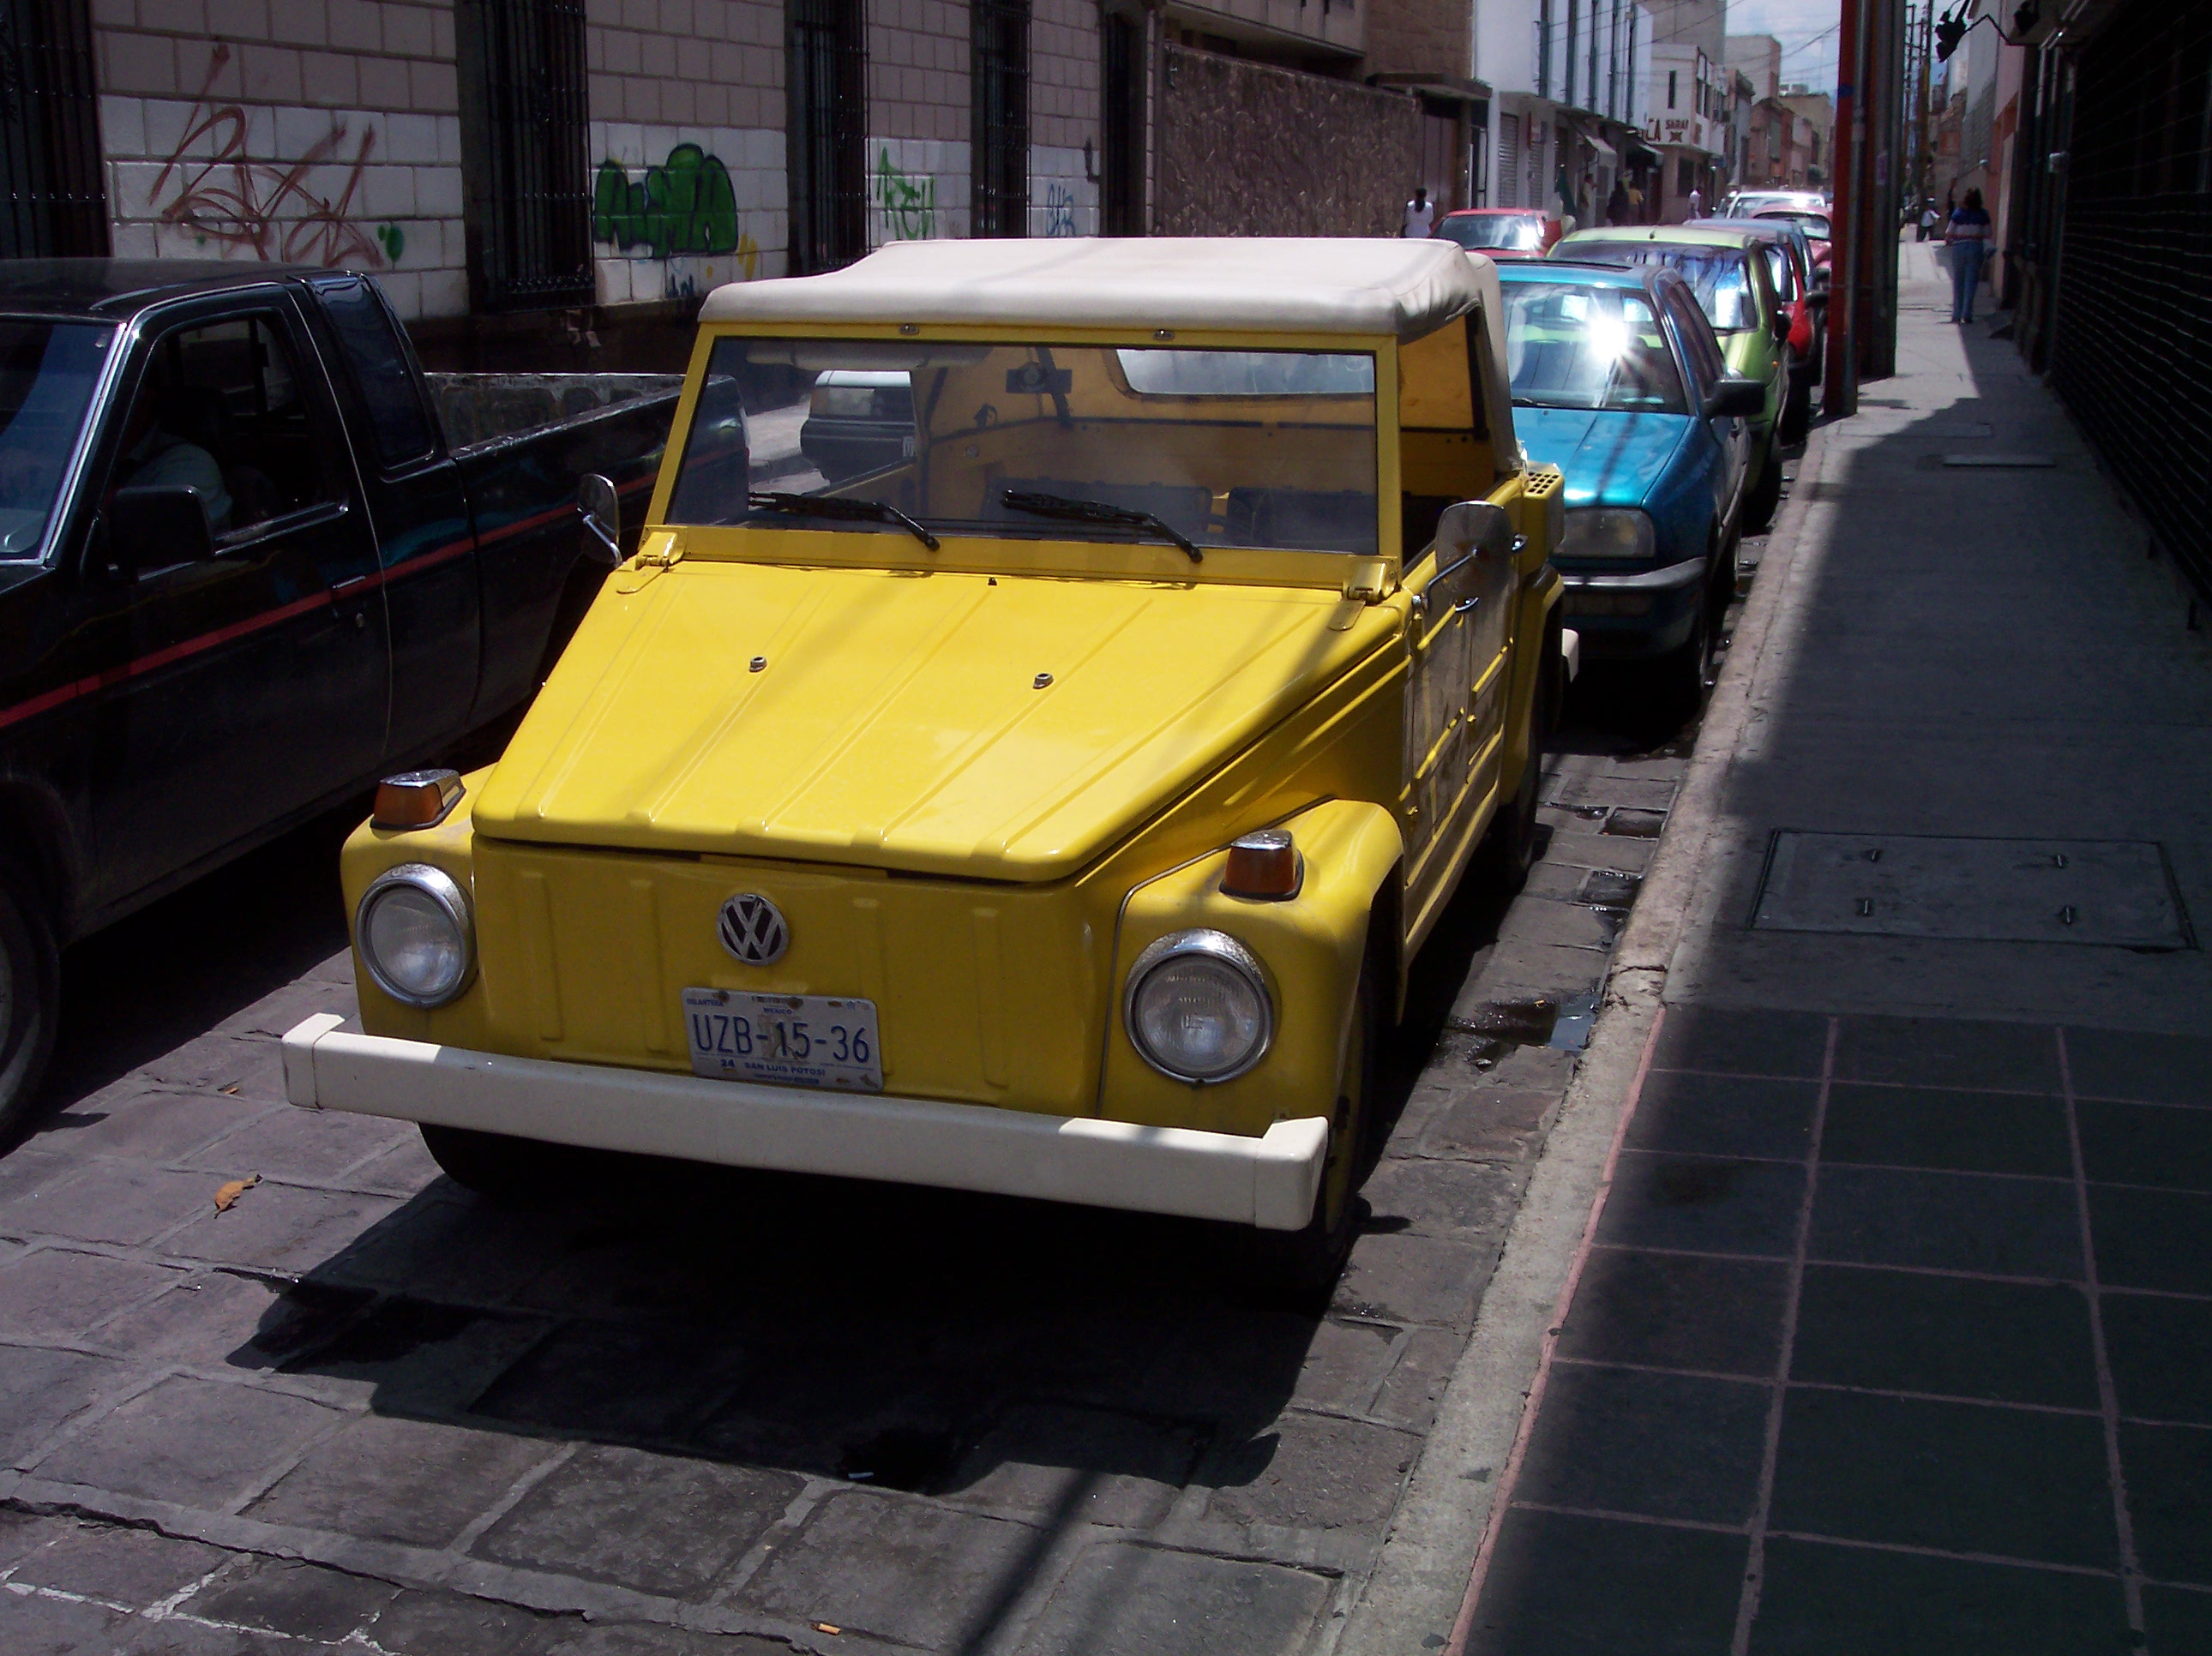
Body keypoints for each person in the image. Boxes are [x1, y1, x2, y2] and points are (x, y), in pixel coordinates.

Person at [1945, 186, 1993, 323]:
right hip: (1975, 247)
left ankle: (1956, 314)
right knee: (1971, 281)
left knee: (1958, 281)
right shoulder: (1983, 214)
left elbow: (1949, 232)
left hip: (1959, 247)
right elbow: (1988, 233)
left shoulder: (1958, 213)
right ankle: (1967, 313)